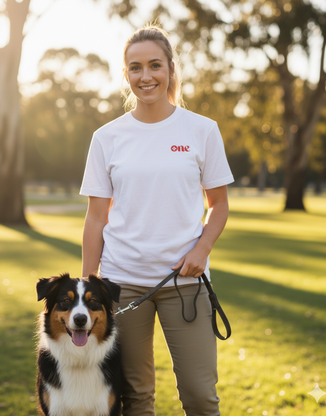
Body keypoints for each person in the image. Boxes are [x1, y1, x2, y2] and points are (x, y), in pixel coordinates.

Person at [80, 24, 234, 416]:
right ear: (126, 74)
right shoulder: (106, 138)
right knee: (135, 397)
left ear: (170, 69)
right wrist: (89, 287)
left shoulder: (202, 130)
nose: (145, 76)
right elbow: (97, 217)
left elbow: (218, 204)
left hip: (185, 282)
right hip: (122, 285)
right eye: (135, 68)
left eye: (154, 65)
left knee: (200, 396)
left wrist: (202, 249)